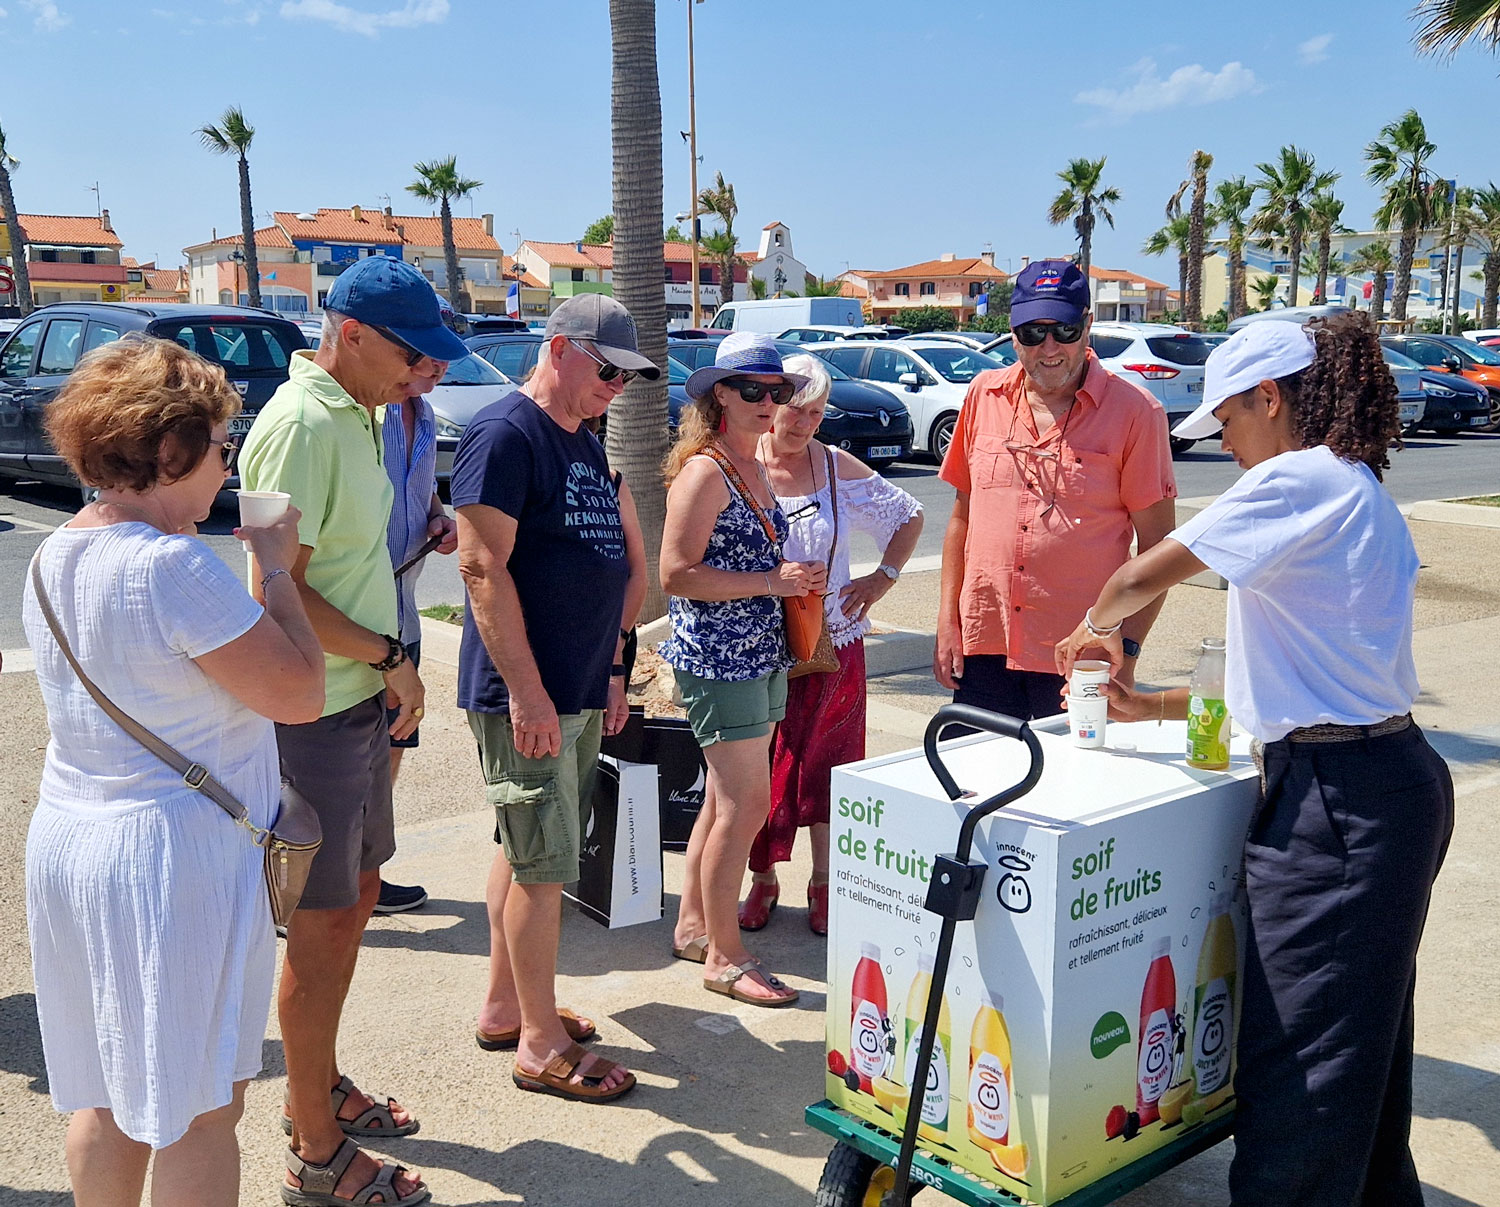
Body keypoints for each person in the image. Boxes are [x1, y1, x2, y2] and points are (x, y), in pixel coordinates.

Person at [1055, 316, 1454, 1207]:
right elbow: (1296, 684)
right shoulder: (1348, 485)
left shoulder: (1294, 478)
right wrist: (1148, 702)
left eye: (1226, 422)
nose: (1226, 445)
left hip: (1341, 803)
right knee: (1363, 1055)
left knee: (1301, 1073)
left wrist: (1089, 635)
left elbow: (1134, 576)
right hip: (1382, 779)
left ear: (1270, 399)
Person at [22, 335, 325, 1206]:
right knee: (200, 1109)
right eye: (221, 446)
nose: (226, 466)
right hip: (169, 861)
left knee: (102, 1092)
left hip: (74, 842)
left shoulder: (53, 556)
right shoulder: (173, 565)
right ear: (169, 449)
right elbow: (300, 692)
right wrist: (273, 562)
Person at [240, 254, 467, 1206]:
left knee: (359, 895)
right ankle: (314, 1150)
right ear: (352, 333)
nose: (427, 372)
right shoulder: (299, 424)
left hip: (358, 696)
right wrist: (386, 656)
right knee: (324, 922)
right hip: (320, 706)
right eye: (412, 353)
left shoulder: (365, 413)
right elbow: (273, 586)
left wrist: (386, 665)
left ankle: (315, 1081)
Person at [452, 293, 652, 1103]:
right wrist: (530, 695)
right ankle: (538, 1043)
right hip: (525, 692)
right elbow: (479, 567)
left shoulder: (580, 438)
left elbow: (603, 567)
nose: (617, 388)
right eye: (607, 371)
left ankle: (508, 1005)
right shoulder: (506, 433)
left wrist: (609, 673)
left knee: (523, 847)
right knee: (544, 867)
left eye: (629, 378)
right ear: (561, 349)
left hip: (571, 686)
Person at [935, 259, 1177, 719]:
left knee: (1070, 787)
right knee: (974, 784)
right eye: (1032, 332)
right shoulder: (982, 396)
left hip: (1081, 654)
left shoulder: (1136, 413)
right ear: (1012, 332)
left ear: (1087, 326)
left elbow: (1157, 551)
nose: (1049, 348)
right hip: (985, 644)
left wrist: (1127, 648)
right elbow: (962, 520)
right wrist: (948, 622)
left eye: (1063, 330)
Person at [661, 333, 825, 1006]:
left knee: (723, 801)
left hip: (757, 656)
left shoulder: (749, 462)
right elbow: (676, 574)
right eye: (753, 389)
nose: (769, 401)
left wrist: (788, 584)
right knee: (746, 804)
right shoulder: (707, 471)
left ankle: (697, 927)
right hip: (721, 660)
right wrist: (772, 580)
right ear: (719, 394)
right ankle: (725, 955)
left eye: (777, 390)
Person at [740, 353, 923, 935]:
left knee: (831, 764)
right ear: (771, 405)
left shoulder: (836, 465)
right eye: (795, 412)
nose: (803, 425)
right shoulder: (741, 463)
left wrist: (881, 579)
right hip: (758, 642)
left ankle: (825, 881)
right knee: (758, 765)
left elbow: (910, 515)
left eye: (816, 414)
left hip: (831, 643)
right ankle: (761, 878)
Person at [377, 360, 458, 915]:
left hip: (403, 612)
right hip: (357, 615)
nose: (438, 370)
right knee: (336, 761)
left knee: (394, 742)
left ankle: (367, 870)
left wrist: (438, 516)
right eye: (426, 358)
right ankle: (306, 892)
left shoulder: (424, 414)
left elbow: (421, 488)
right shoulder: (366, 413)